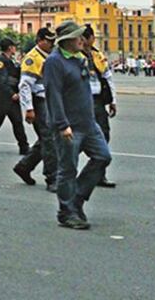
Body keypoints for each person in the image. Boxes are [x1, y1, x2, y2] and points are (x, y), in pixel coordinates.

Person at [45, 21, 111, 230]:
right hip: (69, 125)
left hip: (88, 124)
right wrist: (62, 124)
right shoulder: (54, 62)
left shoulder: (80, 58)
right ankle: (66, 212)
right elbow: (53, 95)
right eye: (78, 37)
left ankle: (77, 199)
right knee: (67, 169)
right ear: (66, 41)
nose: (83, 40)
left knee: (103, 156)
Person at [13, 28, 58, 190]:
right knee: (49, 139)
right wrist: (29, 109)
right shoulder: (32, 58)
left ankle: (24, 166)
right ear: (39, 40)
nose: (51, 43)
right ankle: (52, 178)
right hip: (39, 101)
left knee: (47, 138)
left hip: (49, 100)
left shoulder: (49, 56)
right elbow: (25, 86)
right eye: (48, 40)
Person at [83, 25, 118, 188]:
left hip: (97, 100)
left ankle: (99, 173)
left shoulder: (98, 55)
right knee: (76, 140)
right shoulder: (74, 57)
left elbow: (107, 77)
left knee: (104, 135)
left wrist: (112, 100)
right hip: (81, 100)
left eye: (86, 38)